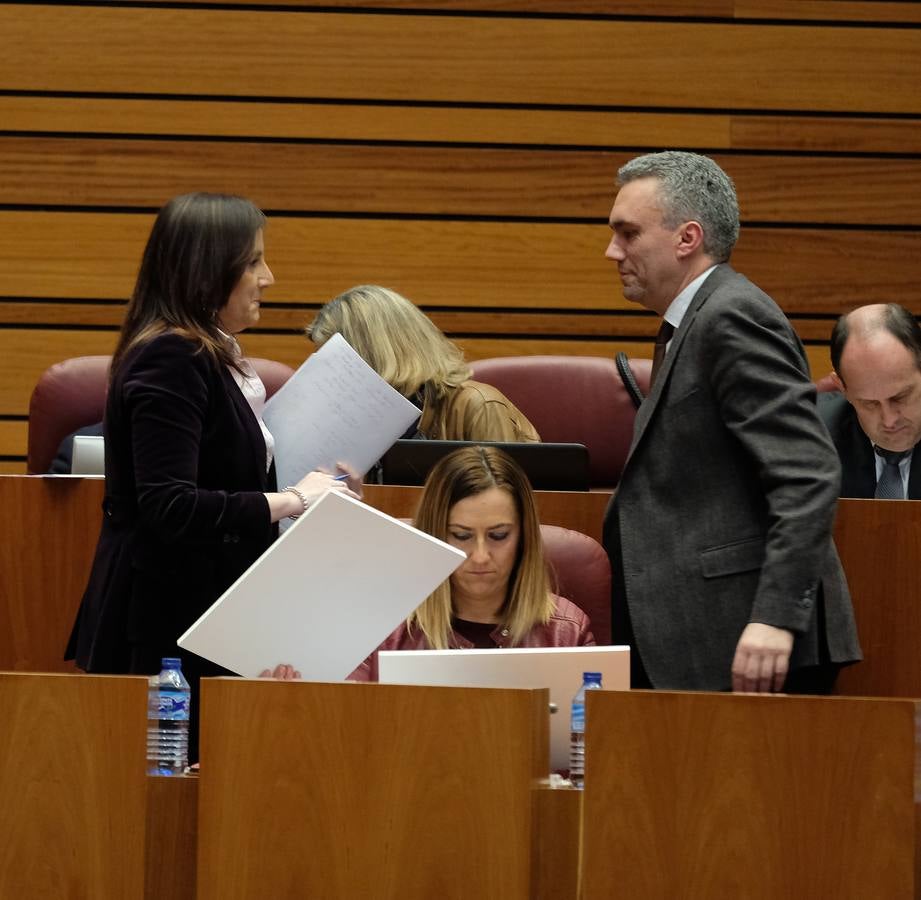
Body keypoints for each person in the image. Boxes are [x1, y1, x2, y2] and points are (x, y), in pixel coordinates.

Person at [66, 192, 359, 759]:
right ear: (207, 269)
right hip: (167, 623)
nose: (268, 277)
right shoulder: (171, 357)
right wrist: (293, 499)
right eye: (252, 262)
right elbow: (170, 505)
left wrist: (314, 488)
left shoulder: (206, 355)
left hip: (208, 609)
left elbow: (223, 478)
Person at [602, 150, 861, 694]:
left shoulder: (732, 316)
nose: (612, 251)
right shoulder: (693, 319)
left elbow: (807, 474)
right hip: (711, 635)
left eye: (628, 234)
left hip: (750, 638)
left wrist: (774, 616)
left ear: (687, 238)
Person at [348, 445, 594, 681]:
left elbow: (596, 723)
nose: (480, 556)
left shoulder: (568, 631)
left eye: (498, 536)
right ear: (435, 535)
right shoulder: (383, 628)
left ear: (524, 537)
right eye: (461, 536)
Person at [306, 284, 540, 442]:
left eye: (337, 359)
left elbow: (498, 509)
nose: (332, 374)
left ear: (373, 355)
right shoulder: (358, 416)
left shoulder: (479, 407)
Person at [819, 303, 921, 499]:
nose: (889, 420)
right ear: (842, 389)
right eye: (870, 403)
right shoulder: (812, 439)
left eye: (899, 397)